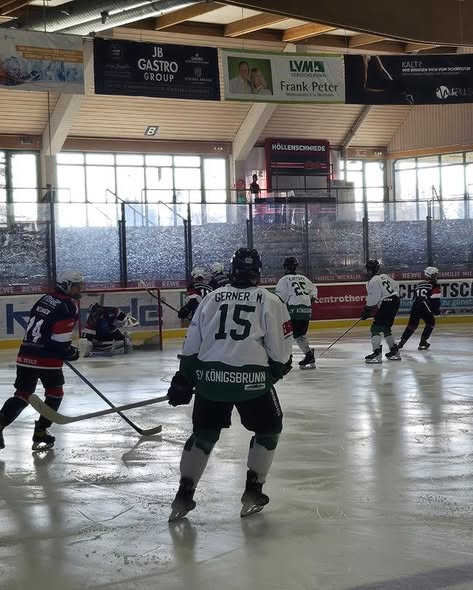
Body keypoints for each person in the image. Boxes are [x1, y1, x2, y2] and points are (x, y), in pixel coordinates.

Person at [167, 248, 293, 521]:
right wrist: (276, 371)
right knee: (269, 429)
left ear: (232, 271)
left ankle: (183, 495)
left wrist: (185, 377)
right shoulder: (270, 300)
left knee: (203, 435)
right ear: (258, 272)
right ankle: (253, 491)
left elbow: (192, 346)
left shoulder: (211, 298)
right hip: (253, 382)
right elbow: (280, 351)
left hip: (210, 380)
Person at [0, 271, 83, 451]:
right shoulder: (68, 307)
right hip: (47, 359)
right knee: (55, 393)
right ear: (67, 285)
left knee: (22, 394)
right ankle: (40, 431)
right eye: (77, 285)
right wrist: (72, 353)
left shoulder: (45, 298)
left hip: (25, 355)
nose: (80, 288)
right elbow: (60, 344)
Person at [275, 256, 318, 369]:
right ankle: (309, 355)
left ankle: (285, 360)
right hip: (306, 311)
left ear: (285, 267)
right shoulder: (304, 278)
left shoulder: (284, 280)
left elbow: (280, 298)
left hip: (293, 311)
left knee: (285, 335)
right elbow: (314, 291)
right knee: (299, 335)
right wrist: (309, 301)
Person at [361, 260, 401, 364]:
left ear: (369, 270)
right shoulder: (384, 276)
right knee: (386, 327)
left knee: (375, 328)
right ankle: (394, 352)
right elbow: (396, 286)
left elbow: (374, 298)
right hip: (395, 301)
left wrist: (367, 309)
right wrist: (392, 297)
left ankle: (377, 354)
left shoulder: (372, 281)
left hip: (387, 303)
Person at [397, 266, 441, 350]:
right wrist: (436, 311)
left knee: (411, 326)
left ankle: (401, 343)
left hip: (415, 306)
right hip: (425, 306)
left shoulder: (420, 284)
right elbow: (435, 299)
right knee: (431, 323)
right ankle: (423, 342)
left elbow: (415, 297)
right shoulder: (435, 285)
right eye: (435, 274)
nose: (436, 276)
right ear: (430, 275)